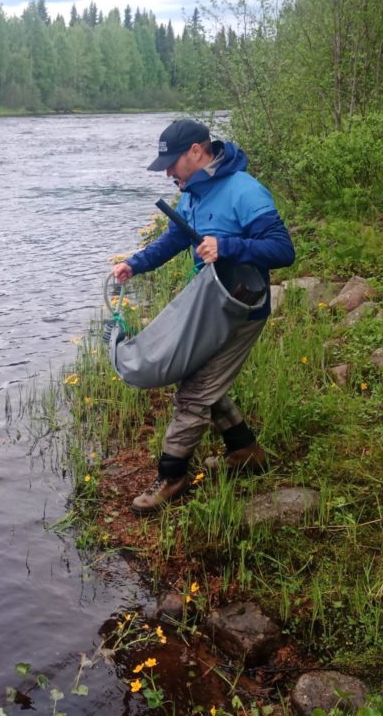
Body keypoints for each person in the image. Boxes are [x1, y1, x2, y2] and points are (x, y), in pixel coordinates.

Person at [112, 118, 295, 514]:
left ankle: (172, 475)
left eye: (171, 163)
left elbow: (282, 250)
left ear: (197, 151)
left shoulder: (244, 191)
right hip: (209, 305)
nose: (166, 173)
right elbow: (177, 237)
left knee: (194, 391)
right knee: (200, 380)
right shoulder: (191, 192)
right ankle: (246, 451)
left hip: (241, 309)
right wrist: (135, 264)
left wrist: (227, 245)